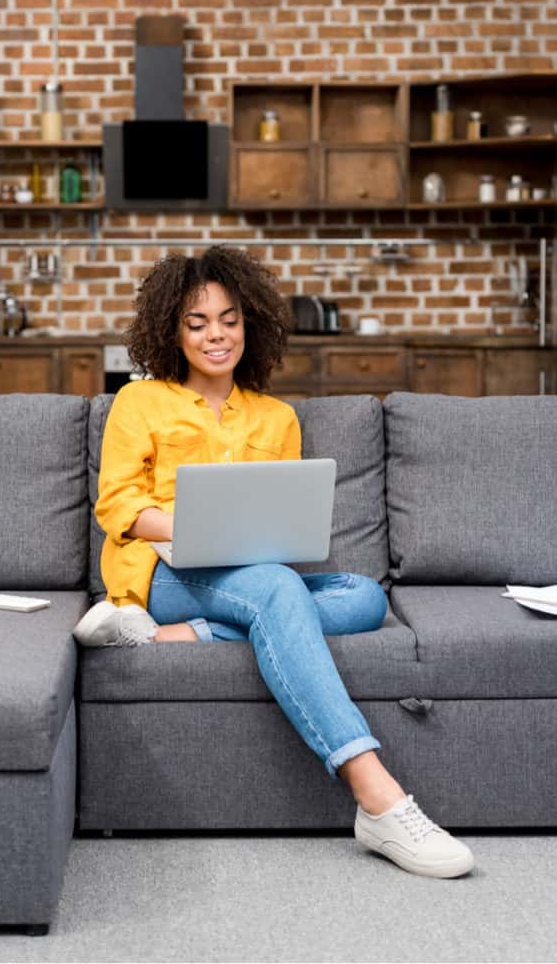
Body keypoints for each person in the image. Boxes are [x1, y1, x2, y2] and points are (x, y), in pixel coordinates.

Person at [74, 245, 474, 879]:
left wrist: (256, 544)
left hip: (249, 574)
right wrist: (194, 530)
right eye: (197, 321)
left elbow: (279, 515)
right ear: (171, 331)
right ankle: (378, 796)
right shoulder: (139, 402)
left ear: (249, 324)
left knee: (363, 597)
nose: (216, 335)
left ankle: (167, 639)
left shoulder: (277, 417)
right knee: (277, 592)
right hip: (161, 568)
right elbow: (119, 506)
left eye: (229, 319)